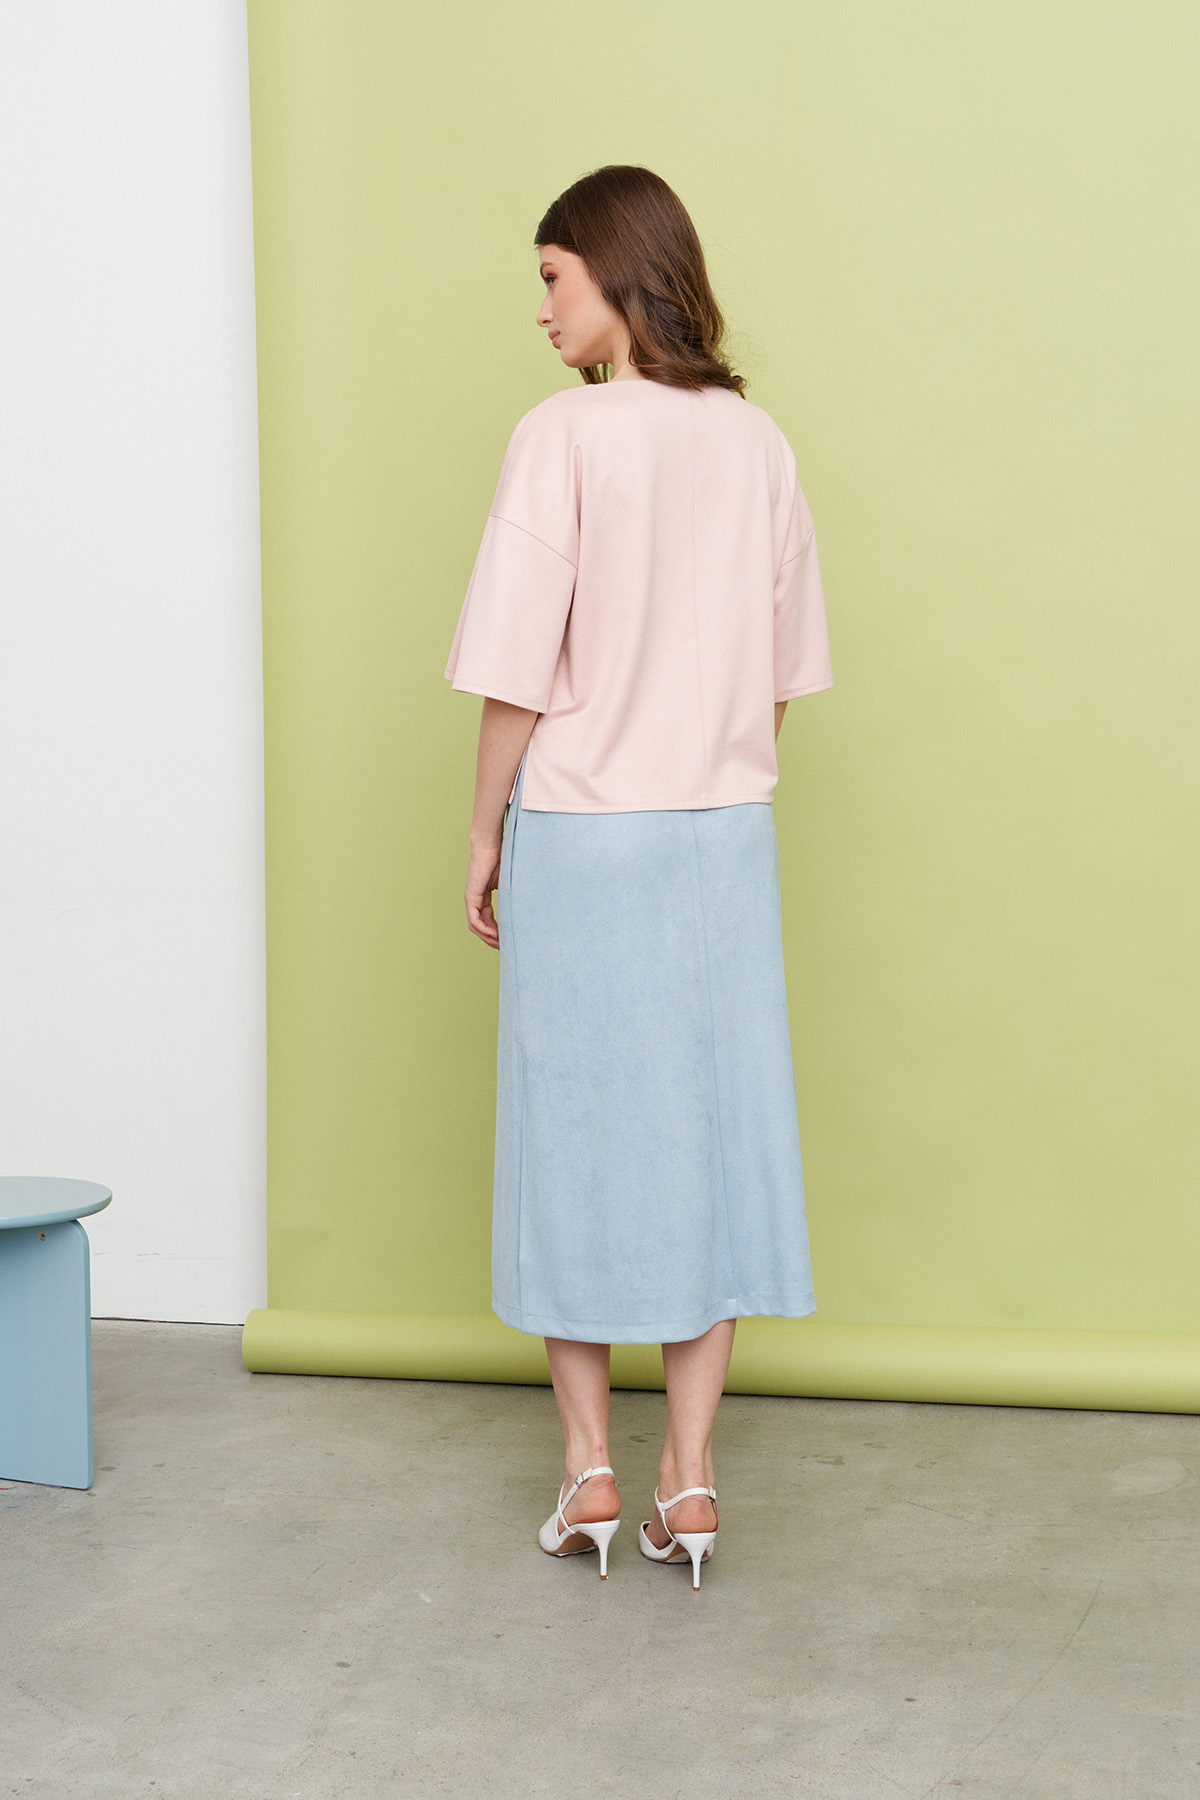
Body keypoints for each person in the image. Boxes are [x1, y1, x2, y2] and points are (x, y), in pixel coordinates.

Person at [444, 165, 832, 1589]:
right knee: (709, 1143)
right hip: (720, 838)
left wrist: (484, 832)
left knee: (576, 1145)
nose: (542, 307)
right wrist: (706, 753)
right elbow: (780, 674)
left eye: (554, 276)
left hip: (587, 832)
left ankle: (590, 1471)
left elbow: (515, 668)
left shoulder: (561, 435)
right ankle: (695, 1477)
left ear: (615, 269)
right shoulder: (759, 443)